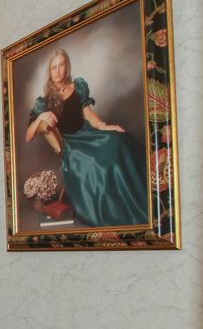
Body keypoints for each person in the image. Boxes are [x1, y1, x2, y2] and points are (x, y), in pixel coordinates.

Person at [24, 48, 149, 228]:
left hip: (87, 132)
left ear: (67, 66)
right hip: (72, 143)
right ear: (49, 72)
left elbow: (89, 116)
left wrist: (104, 126)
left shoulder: (78, 87)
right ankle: (115, 210)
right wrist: (40, 118)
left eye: (61, 65)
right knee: (100, 161)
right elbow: (28, 137)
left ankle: (143, 195)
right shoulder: (44, 102)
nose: (57, 71)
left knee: (118, 140)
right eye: (53, 67)